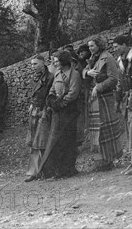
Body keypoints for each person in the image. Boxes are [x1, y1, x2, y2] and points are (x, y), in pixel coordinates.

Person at [39, 50, 81, 179]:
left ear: (63, 61)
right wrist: (51, 100)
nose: (54, 63)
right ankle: (59, 169)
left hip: (70, 110)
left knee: (68, 140)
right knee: (58, 140)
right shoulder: (57, 73)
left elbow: (73, 93)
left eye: (56, 61)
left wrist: (61, 103)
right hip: (58, 110)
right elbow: (52, 89)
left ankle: (69, 169)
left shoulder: (74, 74)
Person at [83, 35, 122, 171]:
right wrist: (87, 72)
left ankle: (109, 159)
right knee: (96, 130)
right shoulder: (93, 58)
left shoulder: (108, 58)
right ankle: (100, 161)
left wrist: (98, 87)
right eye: (89, 46)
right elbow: (83, 71)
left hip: (105, 98)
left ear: (99, 45)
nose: (90, 48)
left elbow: (113, 79)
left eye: (92, 46)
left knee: (106, 129)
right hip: (95, 100)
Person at [112, 35, 132, 175]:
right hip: (126, 98)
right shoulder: (119, 60)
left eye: (116, 46)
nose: (115, 49)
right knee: (129, 128)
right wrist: (117, 100)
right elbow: (120, 82)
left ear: (125, 45)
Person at [24, 55, 54, 182]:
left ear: (43, 63)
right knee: (34, 142)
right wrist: (32, 104)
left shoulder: (50, 77)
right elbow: (34, 95)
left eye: (35, 64)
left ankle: (46, 170)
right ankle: (34, 171)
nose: (33, 67)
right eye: (31, 64)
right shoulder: (35, 78)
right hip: (34, 112)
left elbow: (50, 95)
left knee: (43, 141)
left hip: (44, 112)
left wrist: (45, 110)